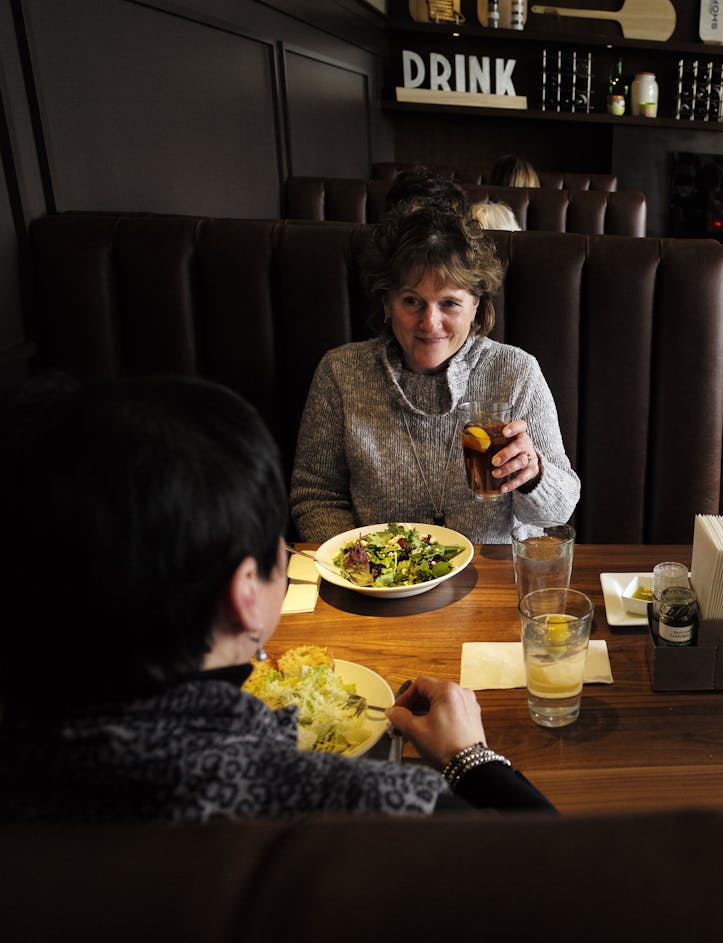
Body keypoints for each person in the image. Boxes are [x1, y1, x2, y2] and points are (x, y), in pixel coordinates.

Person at [0, 376, 553, 823]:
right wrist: (472, 762)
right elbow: (561, 881)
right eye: (279, 546)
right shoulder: (367, 809)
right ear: (245, 594)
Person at [290, 202, 580, 543]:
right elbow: (316, 496)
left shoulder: (516, 372)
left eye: (449, 303)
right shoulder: (341, 372)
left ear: (476, 305)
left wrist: (533, 475)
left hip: (493, 580)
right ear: (387, 303)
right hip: (379, 585)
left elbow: (558, 512)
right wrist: (361, 564)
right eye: (412, 301)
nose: (430, 323)